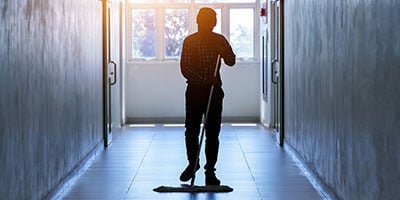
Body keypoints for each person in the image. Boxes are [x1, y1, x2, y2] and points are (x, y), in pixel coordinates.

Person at [179, 7, 236, 186]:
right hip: (195, 92)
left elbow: (232, 61)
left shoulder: (219, 40)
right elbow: (185, 69)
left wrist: (224, 52)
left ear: (214, 22)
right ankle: (192, 164)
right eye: (205, 20)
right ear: (198, 21)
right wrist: (205, 79)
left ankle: (210, 171)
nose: (208, 23)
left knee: (212, 133)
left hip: (214, 92)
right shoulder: (190, 41)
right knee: (192, 131)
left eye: (211, 20)